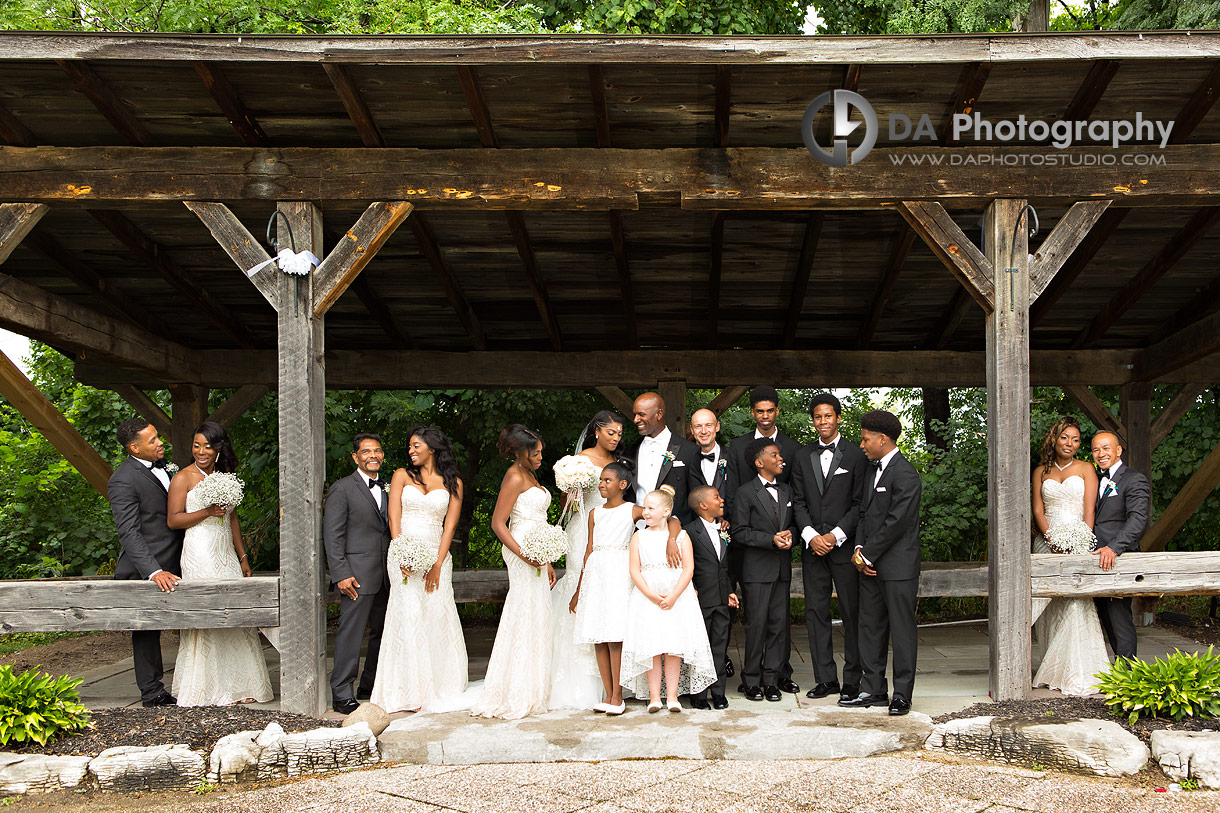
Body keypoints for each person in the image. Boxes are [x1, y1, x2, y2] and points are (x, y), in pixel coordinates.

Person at [167, 421, 272, 706]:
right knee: (208, 614)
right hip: (199, 549)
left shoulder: (226, 476)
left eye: (208, 446)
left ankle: (241, 685)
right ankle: (207, 689)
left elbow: (232, 518)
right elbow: (174, 519)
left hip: (225, 551)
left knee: (235, 613)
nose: (201, 451)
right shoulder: (183, 478)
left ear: (218, 448)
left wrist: (243, 556)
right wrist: (206, 512)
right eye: (196, 445)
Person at [371, 426, 469, 713]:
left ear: (433, 447)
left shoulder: (454, 483)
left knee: (436, 613)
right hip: (403, 554)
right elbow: (394, 517)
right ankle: (408, 689)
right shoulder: (402, 475)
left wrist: (438, 563)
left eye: (416, 445)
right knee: (407, 613)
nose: (411, 451)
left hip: (437, 554)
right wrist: (401, 552)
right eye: (410, 446)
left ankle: (438, 686)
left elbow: (449, 525)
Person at [571, 462, 681, 714]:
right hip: (596, 575)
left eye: (607, 480)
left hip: (619, 572)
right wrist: (579, 590)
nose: (601, 484)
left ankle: (618, 695)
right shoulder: (594, 514)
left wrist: (672, 539)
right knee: (598, 637)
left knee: (614, 636)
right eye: (600, 480)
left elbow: (670, 518)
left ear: (623, 485)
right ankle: (609, 695)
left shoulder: (631, 510)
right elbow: (588, 551)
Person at [472, 425, 557, 719]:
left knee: (537, 613)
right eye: (536, 453)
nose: (540, 457)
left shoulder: (530, 475)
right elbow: (497, 523)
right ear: (520, 451)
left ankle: (534, 686)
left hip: (536, 551)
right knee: (523, 611)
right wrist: (525, 555)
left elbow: (540, 521)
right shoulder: (514, 476)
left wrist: (544, 560)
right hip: (520, 550)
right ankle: (515, 689)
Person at [841, 410, 922, 716]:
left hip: (897, 567)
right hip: (869, 564)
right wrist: (860, 548)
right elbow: (863, 513)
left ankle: (902, 694)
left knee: (901, 630)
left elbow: (897, 522)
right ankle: (873, 688)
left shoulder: (905, 474)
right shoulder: (872, 472)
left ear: (882, 439)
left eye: (865, 439)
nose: (862, 444)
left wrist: (866, 554)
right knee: (869, 627)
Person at [790, 393, 869, 703]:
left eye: (828, 416)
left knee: (852, 612)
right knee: (815, 613)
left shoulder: (856, 456)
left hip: (843, 547)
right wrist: (811, 535)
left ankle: (853, 678)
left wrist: (835, 536)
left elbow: (859, 503)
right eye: (817, 417)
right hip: (813, 548)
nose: (822, 422)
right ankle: (825, 679)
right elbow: (798, 500)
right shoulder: (801, 455)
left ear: (838, 417)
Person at [723, 386, 800, 695]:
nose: (780, 459)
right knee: (755, 625)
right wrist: (770, 539)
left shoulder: (787, 491)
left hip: (781, 566)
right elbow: (740, 529)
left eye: (770, 410)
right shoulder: (745, 491)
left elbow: (793, 518)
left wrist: (791, 535)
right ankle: (751, 679)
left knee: (780, 625)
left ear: (777, 411)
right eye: (774, 455)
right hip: (756, 563)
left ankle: (773, 679)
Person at [549, 411, 624, 711]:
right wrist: (573, 490)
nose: (616, 437)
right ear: (596, 431)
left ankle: (613, 683)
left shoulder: (619, 465)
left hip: (613, 531)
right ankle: (580, 677)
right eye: (611, 432)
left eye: (620, 433)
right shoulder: (578, 462)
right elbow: (568, 504)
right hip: (583, 529)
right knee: (582, 587)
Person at [108, 418, 185, 707]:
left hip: (182, 558)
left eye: (157, 437)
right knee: (146, 628)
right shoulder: (122, 480)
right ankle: (152, 691)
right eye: (152, 440)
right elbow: (128, 532)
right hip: (147, 567)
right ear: (134, 448)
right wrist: (153, 571)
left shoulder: (167, 468)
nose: (159, 442)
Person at [1030, 417, 1110, 696]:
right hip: (1046, 540)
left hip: (1078, 538)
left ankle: (1078, 668)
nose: (1070, 444)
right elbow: (1038, 510)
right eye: (1065, 438)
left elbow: (1089, 511)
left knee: (1075, 603)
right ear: (1054, 438)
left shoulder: (1086, 468)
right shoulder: (1041, 471)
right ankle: (1051, 665)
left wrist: (1080, 541)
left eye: (1076, 440)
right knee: (1048, 604)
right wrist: (1050, 538)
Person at [620, 486, 716, 711]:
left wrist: (673, 596)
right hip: (647, 598)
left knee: (673, 647)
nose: (645, 512)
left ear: (666, 512)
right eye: (645, 508)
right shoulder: (639, 536)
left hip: (678, 598)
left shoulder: (681, 536)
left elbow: (688, 568)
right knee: (652, 646)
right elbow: (634, 570)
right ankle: (654, 697)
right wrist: (651, 595)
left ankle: (672, 697)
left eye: (651, 508)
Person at [323, 433, 391, 715]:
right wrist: (340, 573)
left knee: (382, 631)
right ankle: (341, 692)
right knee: (351, 633)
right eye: (366, 451)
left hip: (385, 574)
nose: (372, 455)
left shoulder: (386, 490)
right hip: (355, 575)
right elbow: (332, 534)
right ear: (355, 457)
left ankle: (369, 684)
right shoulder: (342, 489)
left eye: (377, 450)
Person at [1090, 431, 1151, 660]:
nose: (1101, 453)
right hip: (1095, 560)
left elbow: (1138, 520)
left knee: (1119, 619)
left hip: (1118, 558)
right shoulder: (1095, 478)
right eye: (1096, 449)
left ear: (1118, 450)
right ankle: (1120, 671)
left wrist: (1114, 547)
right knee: (1106, 618)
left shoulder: (1134, 479)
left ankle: (1128, 674)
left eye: (1106, 448)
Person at [684, 485, 738, 710]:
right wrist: (692, 588)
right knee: (700, 648)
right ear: (703, 505)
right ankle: (698, 693)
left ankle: (718, 692)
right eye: (717, 497)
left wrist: (729, 591)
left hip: (721, 599)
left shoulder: (723, 530)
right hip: (700, 599)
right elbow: (687, 565)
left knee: (719, 646)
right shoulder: (689, 531)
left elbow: (724, 567)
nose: (722, 500)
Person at [627, 392, 700, 527]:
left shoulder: (689, 451)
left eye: (641, 414)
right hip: (635, 530)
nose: (636, 419)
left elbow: (696, 496)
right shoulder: (630, 451)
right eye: (635, 414)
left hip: (674, 532)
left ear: (659, 414)